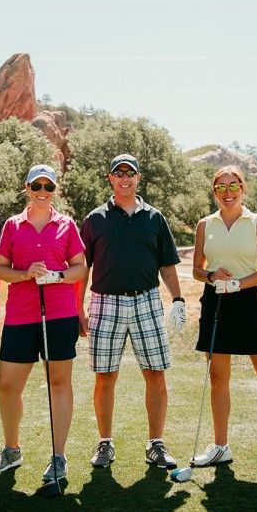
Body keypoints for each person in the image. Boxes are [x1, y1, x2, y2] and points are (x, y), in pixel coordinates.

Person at [80, 154, 186, 471]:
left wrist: (178, 299)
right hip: (105, 301)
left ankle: (156, 444)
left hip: (146, 300)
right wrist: (77, 307)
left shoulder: (154, 218)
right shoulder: (95, 219)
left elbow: (166, 264)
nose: (124, 178)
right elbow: (82, 268)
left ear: (138, 178)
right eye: (118, 173)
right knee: (106, 375)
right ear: (110, 178)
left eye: (130, 173)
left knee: (155, 373)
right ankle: (105, 444)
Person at [0, 164, 87, 492]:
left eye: (49, 185)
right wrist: (26, 273)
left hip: (59, 315)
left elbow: (80, 267)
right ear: (27, 187)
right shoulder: (13, 226)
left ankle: (58, 456)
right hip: (20, 314)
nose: (43, 190)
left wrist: (56, 276)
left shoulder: (66, 225)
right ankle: (12, 450)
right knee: (7, 385)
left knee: (59, 384)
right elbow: (0, 267)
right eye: (36, 185)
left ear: (55, 189)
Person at [190, 165, 257, 470]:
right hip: (216, 302)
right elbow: (197, 269)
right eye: (220, 188)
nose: (227, 193)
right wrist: (211, 276)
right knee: (218, 377)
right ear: (214, 193)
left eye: (233, 186)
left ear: (243, 188)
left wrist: (238, 283)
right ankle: (221, 447)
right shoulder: (204, 225)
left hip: (248, 301)